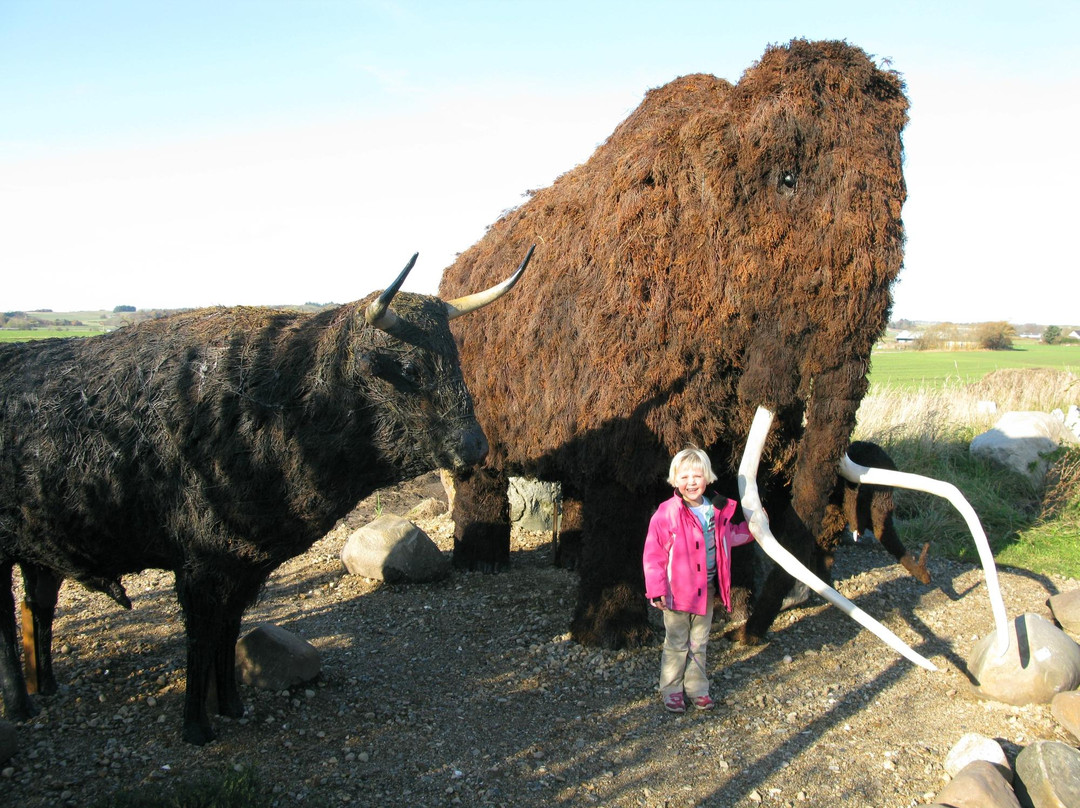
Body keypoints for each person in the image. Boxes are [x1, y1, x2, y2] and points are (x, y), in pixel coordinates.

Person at [642, 446, 753, 713]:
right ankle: (671, 689)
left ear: (707, 478)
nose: (691, 482)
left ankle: (697, 688)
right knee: (677, 644)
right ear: (675, 480)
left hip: (707, 589)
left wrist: (755, 527)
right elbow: (654, 554)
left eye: (697, 476)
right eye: (684, 477)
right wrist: (656, 590)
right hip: (676, 593)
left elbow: (729, 537)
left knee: (699, 643)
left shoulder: (716, 510)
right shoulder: (667, 513)